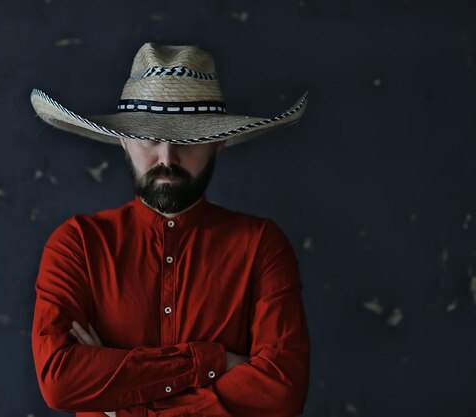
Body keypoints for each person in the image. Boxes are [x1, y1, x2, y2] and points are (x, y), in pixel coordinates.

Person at [30, 42, 311, 417]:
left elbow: (281, 392)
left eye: (187, 141)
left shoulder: (261, 245)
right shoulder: (77, 244)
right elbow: (60, 382)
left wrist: (123, 405)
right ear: (124, 141)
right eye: (150, 138)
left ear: (219, 142)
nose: (167, 159)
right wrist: (213, 362)